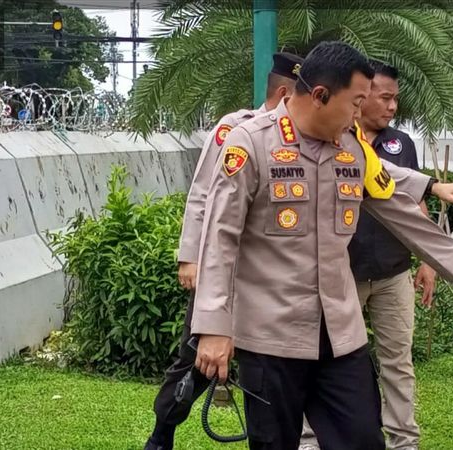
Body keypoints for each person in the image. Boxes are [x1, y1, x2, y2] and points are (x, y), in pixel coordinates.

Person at [192, 41, 453, 450]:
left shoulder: (352, 149)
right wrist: (213, 325)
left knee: (362, 439)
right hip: (271, 336)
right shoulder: (252, 144)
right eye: (355, 103)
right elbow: (219, 237)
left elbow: (394, 205)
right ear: (319, 95)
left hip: (339, 334)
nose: (360, 114)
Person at [298, 60, 453, 450]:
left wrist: (434, 262)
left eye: (395, 99)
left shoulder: (400, 145)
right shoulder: (329, 140)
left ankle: (404, 441)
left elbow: (404, 203)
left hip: (391, 272)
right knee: (320, 358)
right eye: (383, 97)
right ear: (358, 97)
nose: (392, 106)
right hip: (340, 277)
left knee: (397, 361)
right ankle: (310, 439)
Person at [143, 52, 304, 450]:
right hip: (222, 269)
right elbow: (202, 194)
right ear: (285, 92)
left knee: (265, 371)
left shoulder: (307, 138)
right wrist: (190, 256)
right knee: (194, 362)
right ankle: (162, 433)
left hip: (270, 281)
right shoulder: (236, 129)